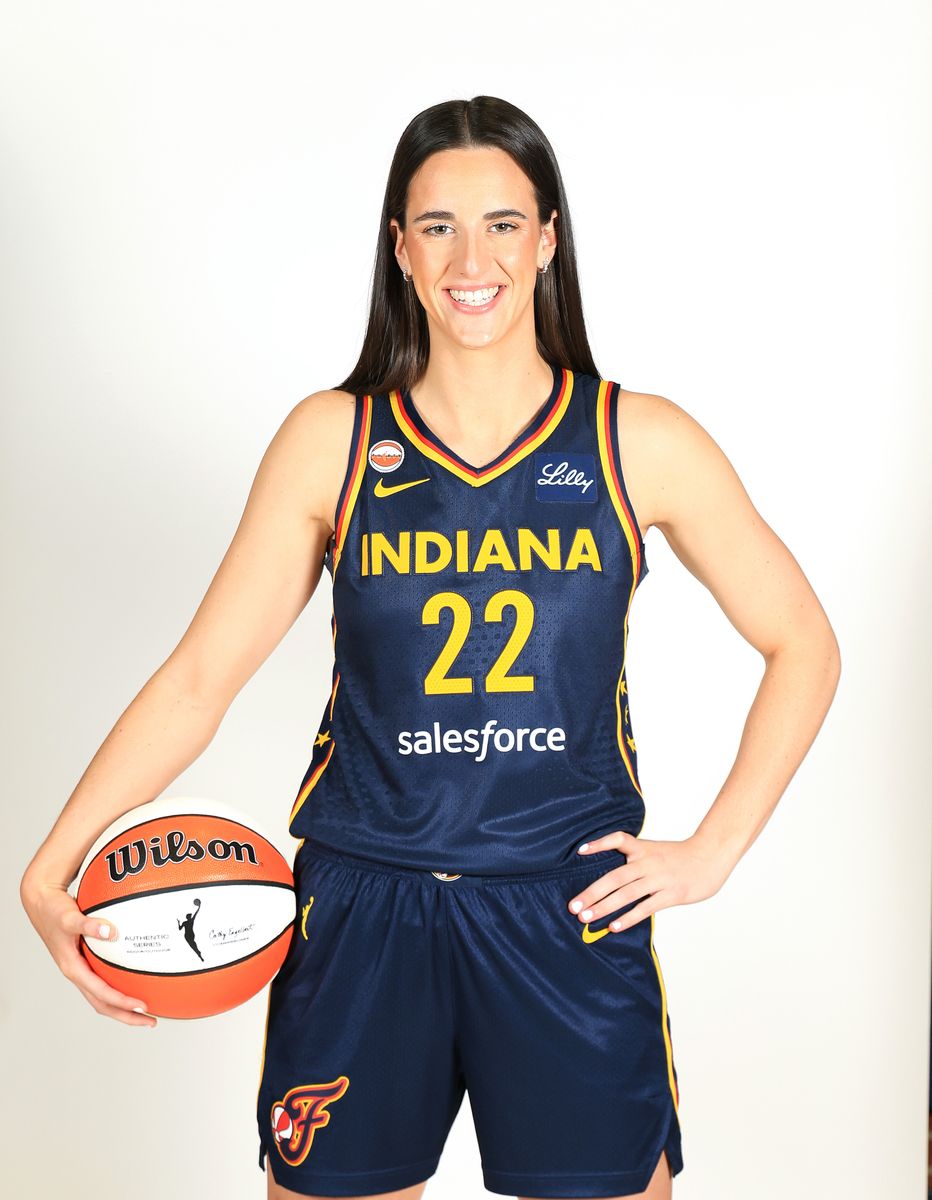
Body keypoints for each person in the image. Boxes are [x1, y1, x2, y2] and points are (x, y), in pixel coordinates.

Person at [20, 95, 841, 1200]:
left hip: (563, 909)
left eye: (503, 224)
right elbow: (200, 679)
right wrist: (52, 862)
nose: (472, 260)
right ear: (399, 248)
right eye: (438, 226)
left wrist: (713, 851)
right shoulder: (334, 439)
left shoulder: (634, 439)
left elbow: (802, 643)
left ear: (546, 240)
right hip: (365, 911)